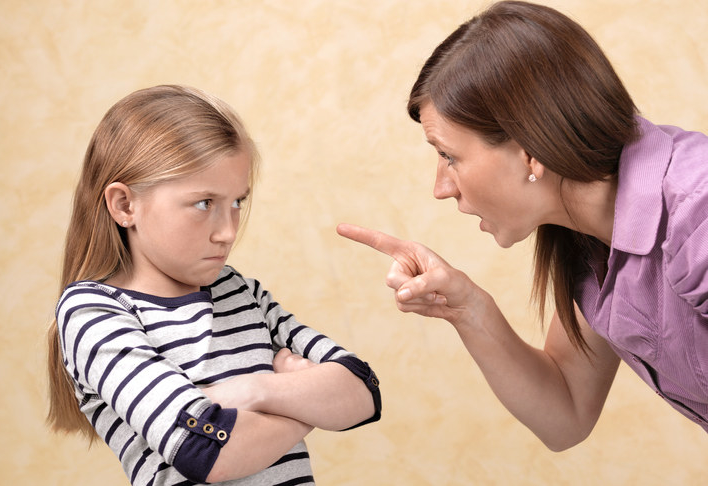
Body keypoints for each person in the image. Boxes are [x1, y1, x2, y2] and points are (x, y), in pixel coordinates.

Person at [337, 0, 708, 451]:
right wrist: (467, 309)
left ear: (531, 152)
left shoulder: (696, 211)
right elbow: (566, 413)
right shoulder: (591, 245)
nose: (440, 187)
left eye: (449, 155)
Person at [47, 84, 381, 485]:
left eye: (237, 201)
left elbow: (363, 392)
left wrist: (256, 391)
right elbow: (209, 452)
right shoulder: (94, 312)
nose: (227, 232)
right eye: (204, 203)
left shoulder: (239, 291)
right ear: (124, 205)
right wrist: (306, 402)